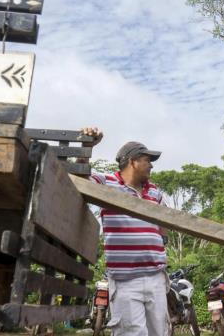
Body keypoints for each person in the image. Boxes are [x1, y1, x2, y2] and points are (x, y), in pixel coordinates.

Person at [82, 127, 169, 336]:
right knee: (131, 333)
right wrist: (87, 146)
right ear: (133, 161)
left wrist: (161, 239)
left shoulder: (154, 190)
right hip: (125, 279)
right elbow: (81, 181)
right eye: (148, 160)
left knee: (161, 332)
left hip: (156, 275)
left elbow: (165, 218)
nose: (151, 166)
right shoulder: (106, 182)